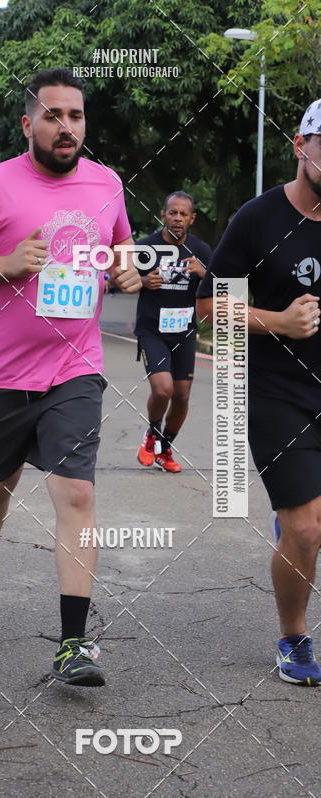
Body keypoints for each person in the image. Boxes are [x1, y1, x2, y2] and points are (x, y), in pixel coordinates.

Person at [0, 68, 141, 687]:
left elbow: (120, 246)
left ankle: (73, 645)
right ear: (28, 123)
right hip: (1, 371)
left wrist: (125, 270)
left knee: (77, 495)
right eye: (52, 115)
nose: (66, 126)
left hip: (76, 366)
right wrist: (6, 264)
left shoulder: (107, 183)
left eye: (75, 115)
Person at [196, 99, 321, 685]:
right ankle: (293, 637)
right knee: (306, 528)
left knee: (309, 525)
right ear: (301, 145)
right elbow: (208, 305)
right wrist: (280, 322)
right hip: (276, 393)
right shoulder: (258, 218)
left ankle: (294, 527)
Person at [135, 192, 212, 472]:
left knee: (181, 395)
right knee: (163, 388)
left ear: (192, 218)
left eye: (183, 214)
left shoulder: (201, 250)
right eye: (172, 213)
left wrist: (204, 273)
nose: (177, 218)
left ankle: (164, 449)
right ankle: (152, 434)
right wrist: (142, 281)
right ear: (163, 215)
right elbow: (119, 281)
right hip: (152, 330)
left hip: (184, 331)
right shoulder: (145, 247)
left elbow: (225, 287)